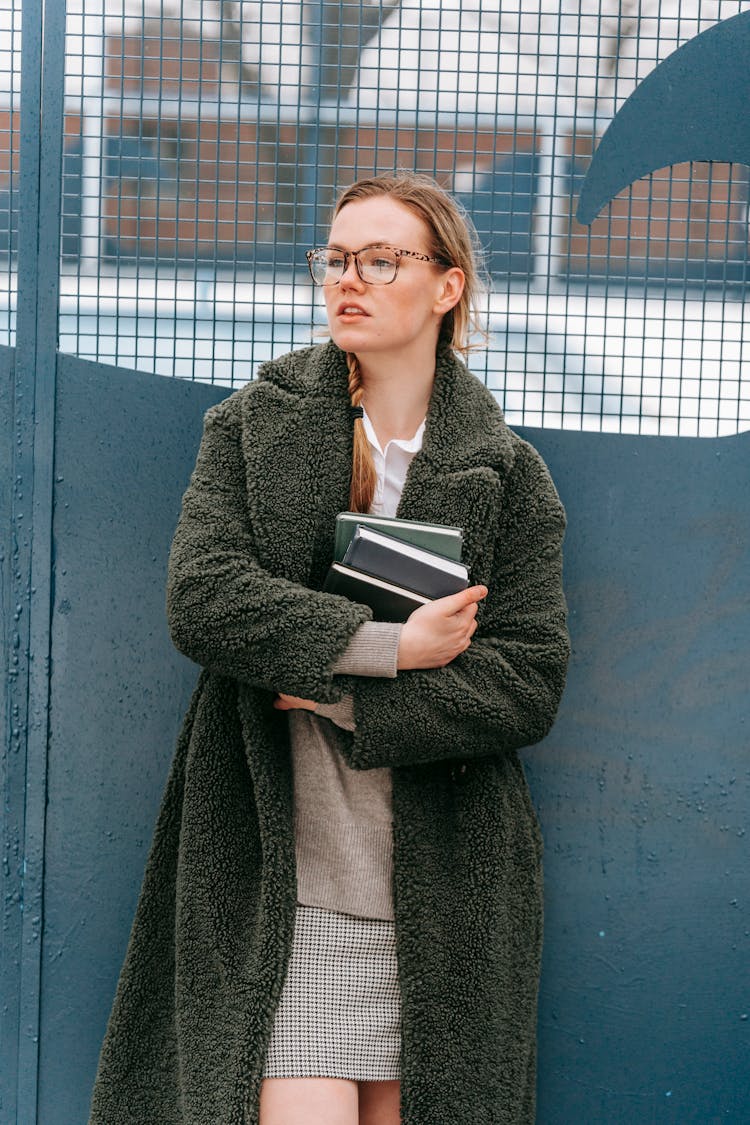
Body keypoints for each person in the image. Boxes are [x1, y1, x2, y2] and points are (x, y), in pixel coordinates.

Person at [89, 171, 570, 1125]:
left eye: (382, 260)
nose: (348, 278)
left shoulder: (508, 476)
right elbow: (204, 598)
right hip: (282, 877)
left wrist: (334, 690)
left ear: (447, 285)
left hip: (441, 893)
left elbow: (527, 682)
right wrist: (392, 645)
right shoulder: (252, 427)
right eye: (336, 258)